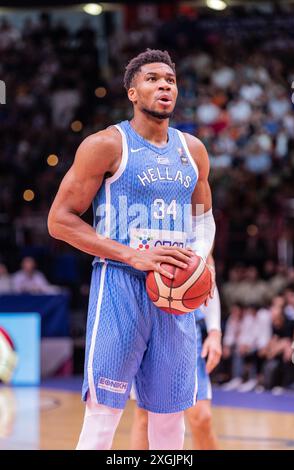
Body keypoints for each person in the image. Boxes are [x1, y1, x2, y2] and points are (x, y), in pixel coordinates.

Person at [48, 49, 216, 450]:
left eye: (170, 80)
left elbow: (203, 220)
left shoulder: (192, 151)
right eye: (153, 79)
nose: (164, 85)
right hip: (119, 286)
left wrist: (200, 263)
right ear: (132, 92)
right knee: (104, 416)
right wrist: (132, 255)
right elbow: (59, 220)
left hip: (174, 296)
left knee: (169, 420)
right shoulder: (106, 144)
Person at [130, 258, 222, 450]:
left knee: (201, 417)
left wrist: (214, 331)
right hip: (146, 321)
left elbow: (207, 276)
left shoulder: (199, 229)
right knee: (145, 416)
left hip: (186, 328)